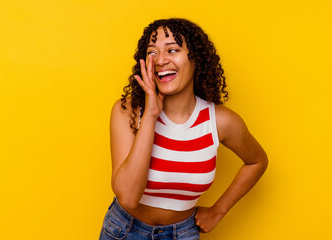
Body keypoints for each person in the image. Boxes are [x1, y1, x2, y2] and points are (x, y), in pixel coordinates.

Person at [99, 18, 268, 239]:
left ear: (195, 59)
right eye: (152, 52)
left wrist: (219, 211)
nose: (160, 60)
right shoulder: (128, 112)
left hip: (182, 234)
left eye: (172, 50)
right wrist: (150, 115)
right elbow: (129, 197)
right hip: (124, 231)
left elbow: (257, 161)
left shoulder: (219, 121)